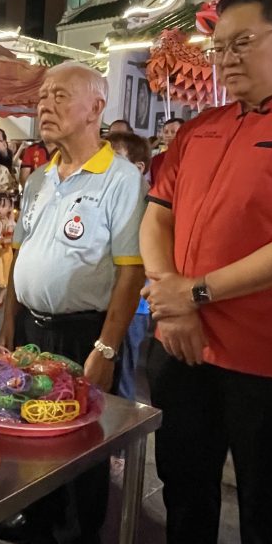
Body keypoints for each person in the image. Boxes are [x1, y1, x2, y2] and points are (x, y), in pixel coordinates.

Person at [139, 0, 272, 544]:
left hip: (271, 363)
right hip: (183, 348)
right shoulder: (201, 126)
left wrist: (196, 292)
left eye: (243, 42)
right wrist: (171, 300)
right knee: (186, 489)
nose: (226, 57)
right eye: (219, 46)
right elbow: (158, 213)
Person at [0, 62, 146, 544]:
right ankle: (40, 519)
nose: (45, 105)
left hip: (84, 331)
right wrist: (9, 325)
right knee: (35, 429)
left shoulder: (122, 180)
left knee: (81, 439)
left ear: (96, 107)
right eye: (42, 96)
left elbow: (131, 273)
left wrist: (106, 347)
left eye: (60, 95)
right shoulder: (38, 177)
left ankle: (79, 541)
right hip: (31, 327)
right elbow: (18, 257)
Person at [106, 130, 152, 401]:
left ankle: (121, 440)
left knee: (122, 378)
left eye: (114, 158)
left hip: (134, 306)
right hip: (109, 300)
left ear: (138, 168)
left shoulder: (144, 202)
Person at [149, 116, 184, 185]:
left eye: (173, 132)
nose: (168, 135)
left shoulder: (189, 157)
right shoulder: (156, 159)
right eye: (166, 132)